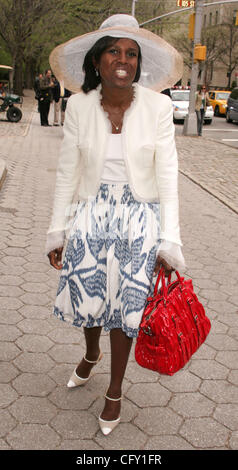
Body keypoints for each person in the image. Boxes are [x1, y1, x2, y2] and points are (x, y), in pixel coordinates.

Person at [46, 14, 185, 436]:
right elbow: (67, 172)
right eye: (114, 51)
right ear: (97, 60)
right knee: (89, 297)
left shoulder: (159, 107)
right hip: (91, 212)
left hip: (139, 216)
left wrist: (169, 239)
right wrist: (58, 229)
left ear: (138, 63)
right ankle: (91, 353)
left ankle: (115, 391)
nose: (123, 60)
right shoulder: (79, 106)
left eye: (131, 54)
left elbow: (167, 174)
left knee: (126, 307)